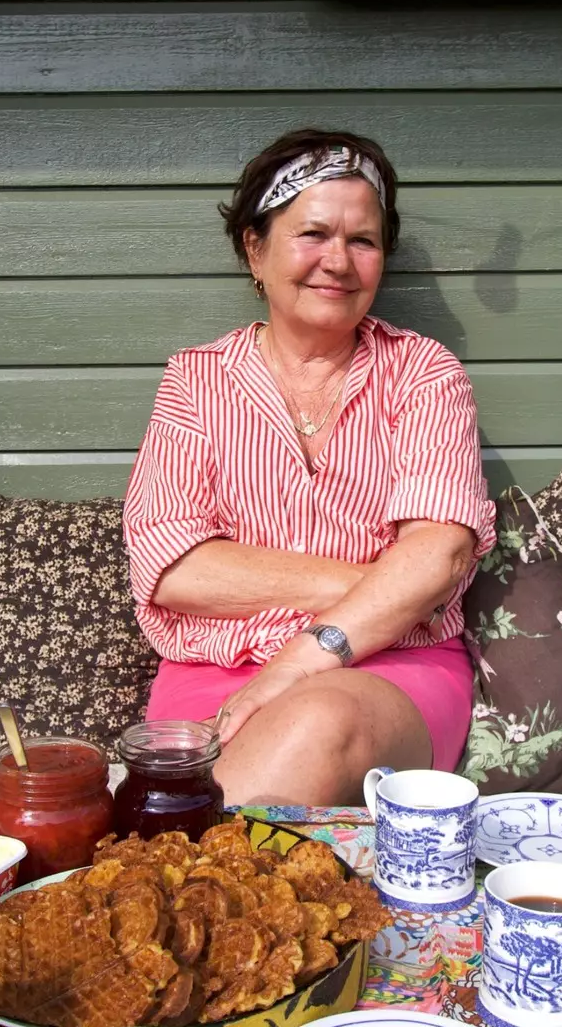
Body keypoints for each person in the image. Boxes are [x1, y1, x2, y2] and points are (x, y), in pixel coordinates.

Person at [122, 129, 496, 808]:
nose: (338, 261)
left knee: (317, 720)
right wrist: (385, 587)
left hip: (389, 673)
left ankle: (165, 884)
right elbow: (172, 567)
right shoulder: (195, 381)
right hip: (214, 672)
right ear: (255, 249)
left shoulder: (424, 374)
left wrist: (293, 664)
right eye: (312, 233)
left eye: (363, 240)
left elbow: (439, 553)